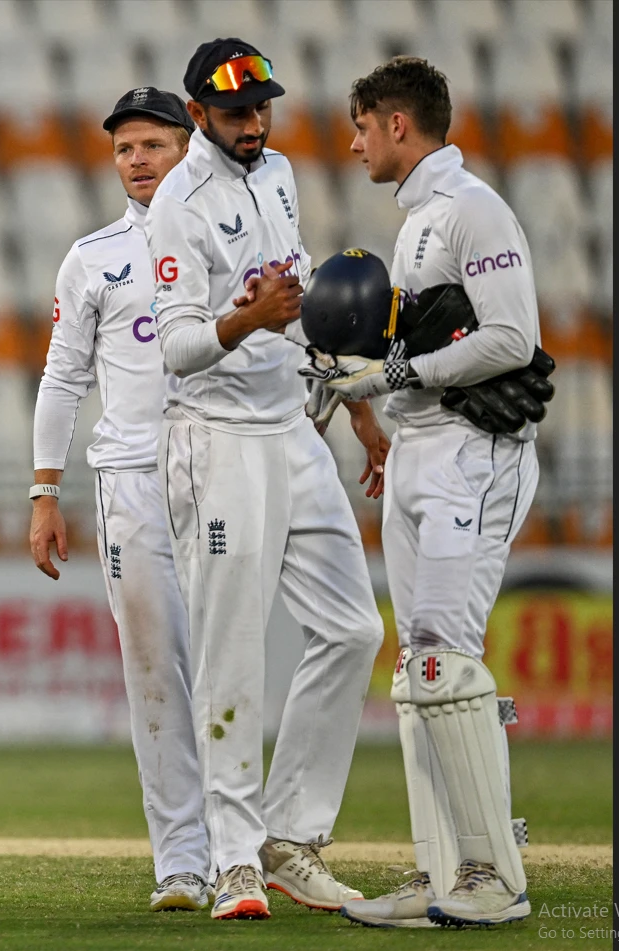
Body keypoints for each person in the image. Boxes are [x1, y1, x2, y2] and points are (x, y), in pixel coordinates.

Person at [143, 38, 387, 920]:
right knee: (231, 648)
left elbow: (300, 310)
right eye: (234, 112)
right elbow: (175, 349)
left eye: (260, 108)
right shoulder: (177, 202)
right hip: (216, 439)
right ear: (197, 112)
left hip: (290, 421)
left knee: (354, 629)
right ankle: (232, 859)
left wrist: (353, 404)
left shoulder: (277, 173)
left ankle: (287, 835)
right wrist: (244, 319)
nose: (252, 124)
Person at [320, 56, 539, 929]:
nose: (353, 142)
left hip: (473, 454)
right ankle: (439, 866)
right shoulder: (417, 219)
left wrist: (392, 372)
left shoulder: (472, 207)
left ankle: (493, 876)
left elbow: (515, 336)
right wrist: (364, 374)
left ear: (397, 125)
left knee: (444, 659)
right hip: (419, 448)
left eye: (362, 126)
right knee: (418, 668)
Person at [28, 87, 211, 913]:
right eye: (123, 148)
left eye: (152, 145)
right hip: (130, 478)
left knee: (225, 663)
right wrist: (43, 490)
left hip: (219, 465)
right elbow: (62, 375)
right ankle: (182, 860)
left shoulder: (225, 229)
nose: (135, 161)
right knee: (153, 670)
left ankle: (244, 851)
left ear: (187, 146)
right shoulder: (92, 255)